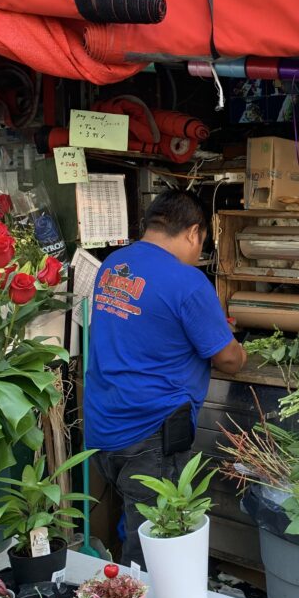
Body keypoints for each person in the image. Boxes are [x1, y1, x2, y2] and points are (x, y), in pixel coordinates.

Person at [84, 189, 247, 565]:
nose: (199, 252)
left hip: (103, 427)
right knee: (156, 541)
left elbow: (144, 328)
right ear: (193, 233)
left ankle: (129, 590)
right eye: (202, 243)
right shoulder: (187, 282)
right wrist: (241, 349)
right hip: (150, 436)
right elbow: (229, 360)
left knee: (134, 520)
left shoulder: (113, 264)